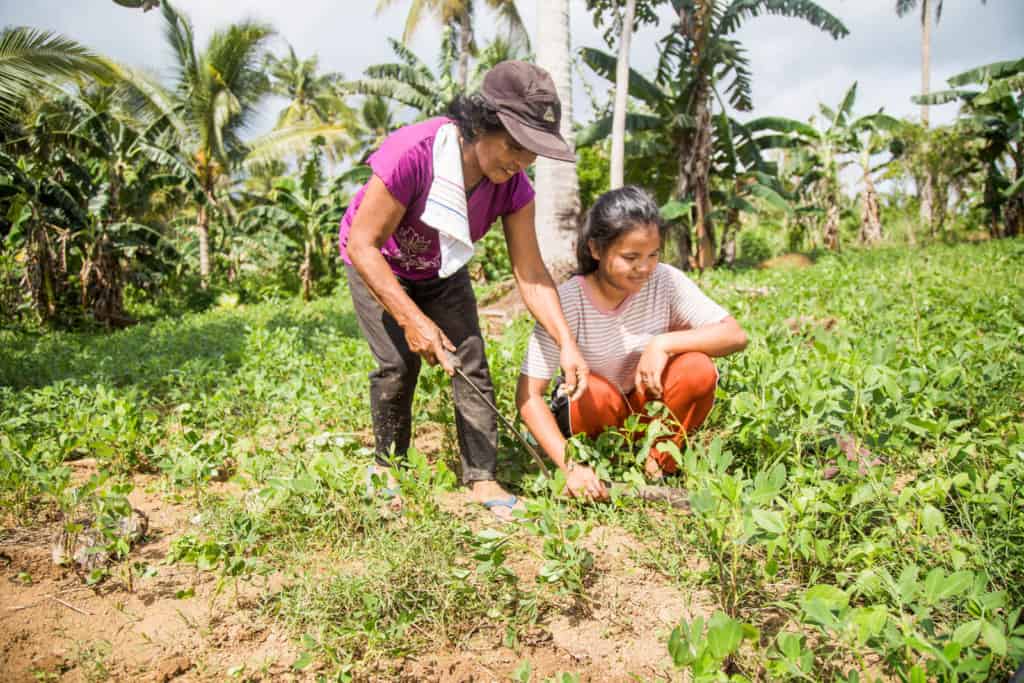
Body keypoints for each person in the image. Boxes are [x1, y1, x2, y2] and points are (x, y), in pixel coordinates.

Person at [339, 61, 589, 520]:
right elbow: (362, 244)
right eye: (514, 145)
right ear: (480, 124)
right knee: (397, 363)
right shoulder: (412, 153)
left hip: (442, 269)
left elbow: (531, 272)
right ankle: (387, 466)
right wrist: (413, 320)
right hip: (379, 262)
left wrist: (567, 343)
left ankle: (482, 476)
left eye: (531, 152)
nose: (519, 161)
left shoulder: (514, 188)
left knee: (471, 361)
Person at [516, 186, 748, 501]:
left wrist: (663, 344)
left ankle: (657, 463)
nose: (644, 268)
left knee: (696, 367)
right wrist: (569, 465)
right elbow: (529, 396)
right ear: (596, 250)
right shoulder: (568, 300)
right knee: (589, 389)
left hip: (647, 412)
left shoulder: (664, 281)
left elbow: (734, 335)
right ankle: (602, 468)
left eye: (653, 255)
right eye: (630, 257)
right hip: (595, 419)